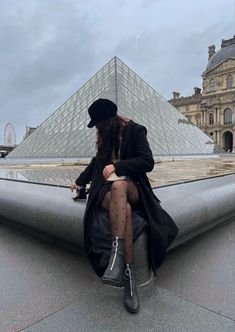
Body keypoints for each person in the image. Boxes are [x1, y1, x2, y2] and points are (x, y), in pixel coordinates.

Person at [71, 98, 178, 313]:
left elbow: (147, 162)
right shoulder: (106, 136)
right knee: (125, 210)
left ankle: (116, 256)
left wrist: (117, 165)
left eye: (99, 125)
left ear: (108, 121)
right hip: (105, 191)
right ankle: (129, 276)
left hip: (132, 187)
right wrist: (79, 181)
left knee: (120, 185)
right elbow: (95, 163)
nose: (97, 130)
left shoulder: (136, 131)